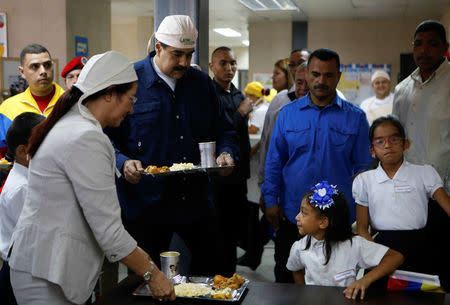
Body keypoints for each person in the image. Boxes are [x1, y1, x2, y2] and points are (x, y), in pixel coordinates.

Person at [8, 51, 175, 304]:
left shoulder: (74, 124)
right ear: (109, 93)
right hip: (45, 274)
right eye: (130, 98)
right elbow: (108, 230)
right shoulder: (86, 136)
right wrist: (153, 273)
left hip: (43, 266)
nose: (132, 108)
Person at [106, 15, 237, 276]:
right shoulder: (129, 81)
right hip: (146, 205)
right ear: (158, 47)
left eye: (189, 55)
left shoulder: (201, 85)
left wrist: (226, 153)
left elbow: (225, 129)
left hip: (195, 202)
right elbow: (106, 137)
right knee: (146, 279)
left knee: (215, 271)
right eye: (177, 54)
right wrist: (122, 162)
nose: (184, 63)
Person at [261, 48, 372, 283]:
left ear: (338, 76)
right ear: (306, 75)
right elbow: (274, 160)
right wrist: (270, 200)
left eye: (329, 75)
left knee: (336, 282)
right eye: (316, 74)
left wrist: (363, 216)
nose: (321, 81)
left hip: (338, 219)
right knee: (287, 278)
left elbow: (364, 169)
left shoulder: (356, 117)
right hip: (294, 215)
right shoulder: (287, 114)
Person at [392, 19, 450, 290]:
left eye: (432, 44)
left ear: (445, 48)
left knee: (442, 268)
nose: (424, 50)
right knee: (410, 270)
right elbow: (395, 143)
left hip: (445, 197)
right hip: (407, 196)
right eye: (418, 44)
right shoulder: (402, 89)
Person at [353, 115, 450, 273]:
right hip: (381, 249)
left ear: (405, 144)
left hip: (421, 248)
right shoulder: (364, 180)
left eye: (394, 139)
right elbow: (362, 229)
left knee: (422, 296)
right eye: (380, 141)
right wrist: (377, 255)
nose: (387, 146)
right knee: (380, 297)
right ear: (372, 150)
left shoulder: (424, 173)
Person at [287, 181, 403, 300]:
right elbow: (295, 269)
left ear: (323, 222)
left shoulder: (355, 244)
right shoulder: (299, 247)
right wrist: (305, 294)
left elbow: (395, 257)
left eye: (303, 213)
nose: (297, 217)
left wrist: (365, 280)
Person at [208, 46, 250, 276]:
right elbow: (220, 131)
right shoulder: (209, 95)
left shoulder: (237, 93)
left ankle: (231, 277)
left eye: (233, 63)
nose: (229, 68)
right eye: (223, 63)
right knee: (219, 232)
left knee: (234, 231)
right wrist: (241, 114)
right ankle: (219, 278)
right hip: (218, 178)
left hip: (239, 176)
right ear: (212, 67)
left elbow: (239, 138)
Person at [0, 112, 44, 305]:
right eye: (42, 145)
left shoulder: (26, 176)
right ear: (21, 150)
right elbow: (33, 237)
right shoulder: (23, 187)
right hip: (18, 270)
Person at [0, 44, 65, 160]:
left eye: (47, 65)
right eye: (35, 66)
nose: (43, 71)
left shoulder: (70, 102)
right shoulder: (7, 108)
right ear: (22, 72)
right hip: (22, 175)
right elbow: (2, 154)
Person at [258, 63, 309, 189]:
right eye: (299, 82)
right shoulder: (282, 105)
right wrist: (264, 184)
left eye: (308, 82)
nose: (303, 87)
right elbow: (268, 145)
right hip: (285, 185)